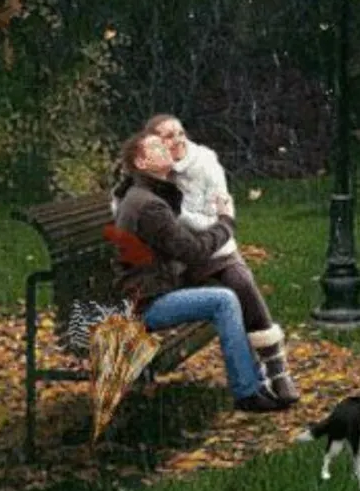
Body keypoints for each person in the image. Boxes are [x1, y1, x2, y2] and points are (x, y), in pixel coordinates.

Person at [107, 130, 292, 413]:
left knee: (232, 284)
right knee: (224, 300)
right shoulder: (148, 205)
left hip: (152, 290)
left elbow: (182, 248)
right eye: (156, 146)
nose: (166, 147)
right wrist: (226, 222)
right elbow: (192, 250)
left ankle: (257, 384)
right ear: (142, 164)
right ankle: (247, 392)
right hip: (145, 304)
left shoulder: (145, 196)